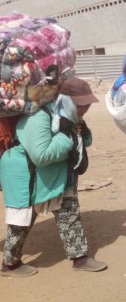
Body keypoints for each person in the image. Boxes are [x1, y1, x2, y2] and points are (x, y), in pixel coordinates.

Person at [1, 77, 107, 277]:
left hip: (57, 173)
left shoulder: (68, 115)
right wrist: (64, 136)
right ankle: (10, 264)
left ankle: (80, 258)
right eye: (80, 104)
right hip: (25, 175)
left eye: (87, 104)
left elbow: (83, 141)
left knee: (69, 212)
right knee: (21, 222)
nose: (84, 109)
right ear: (64, 100)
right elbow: (41, 155)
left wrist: (82, 132)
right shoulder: (38, 117)